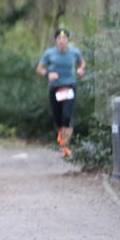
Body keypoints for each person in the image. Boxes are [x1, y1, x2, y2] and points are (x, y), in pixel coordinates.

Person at [36, 28, 86, 158]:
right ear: (56, 41)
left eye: (64, 39)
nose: (62, 41)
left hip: (69, 88)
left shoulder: (74, 52)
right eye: (59, 39)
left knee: (67, 117)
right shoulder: (49, 53)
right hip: (55, 89)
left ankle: (65, 146)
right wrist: (48, 74)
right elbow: (39, 68)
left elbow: (82, 63)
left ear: (68, 41)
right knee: (58, 119)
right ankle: (63, 139)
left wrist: (81, 69)